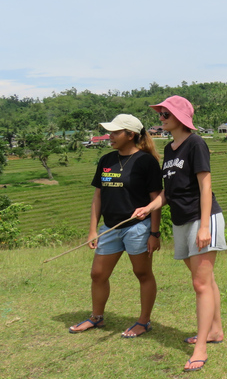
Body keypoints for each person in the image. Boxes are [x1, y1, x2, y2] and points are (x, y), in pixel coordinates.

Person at [133, 95, 227, 373]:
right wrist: (149, 207)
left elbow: (205, 186)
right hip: (181, 220)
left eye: (166, 114)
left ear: (179, 117)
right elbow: (169, 191)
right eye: (160, 113)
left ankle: (200, 348)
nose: (161, 118)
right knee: (205, 280)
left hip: (202, 218)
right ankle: (215, 330)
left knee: (200, 285)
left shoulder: (195, 144)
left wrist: (205, 226)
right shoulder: (171, 149)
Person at [69, 114, 163, 338]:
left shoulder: (146, 162)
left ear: (130, 135)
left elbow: (156, 201)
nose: (109, 136)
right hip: (110, 228)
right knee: (98, 274)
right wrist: (93, 229)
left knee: (142, 273)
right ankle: (96, 317)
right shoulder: (106, 160)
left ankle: (143, 322)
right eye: (109, 132)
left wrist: (154, 233)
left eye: (115, 132)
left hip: (137, 228)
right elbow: (97, 197)